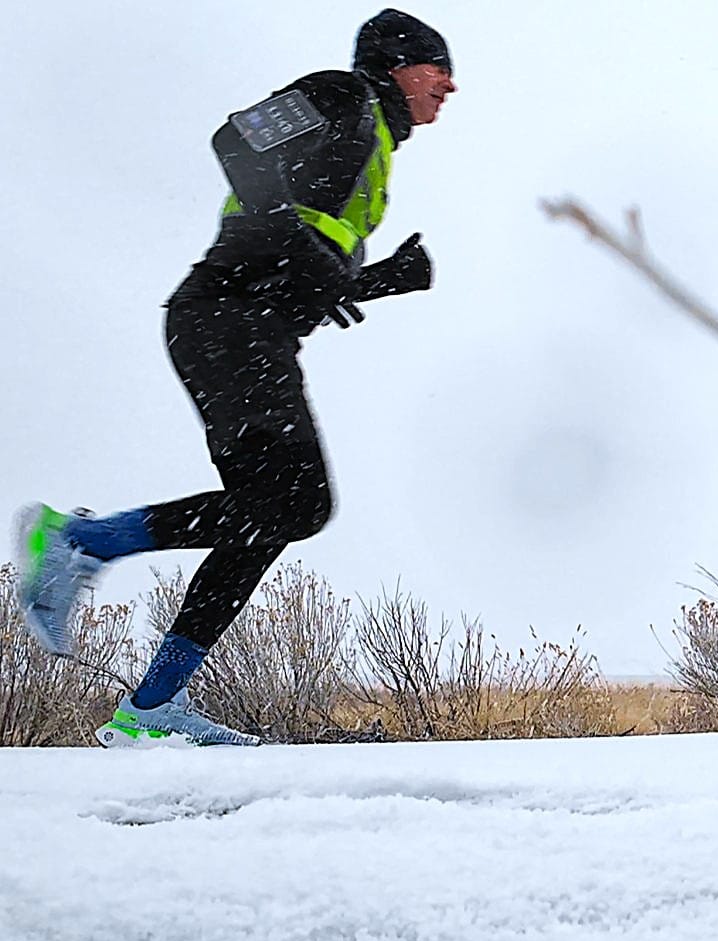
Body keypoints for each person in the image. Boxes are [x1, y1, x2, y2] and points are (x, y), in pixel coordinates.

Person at [11, 9, 457, 747]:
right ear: (394, 62)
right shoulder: (342, 94)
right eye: (436, 66)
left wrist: (382, 278)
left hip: (248, 330)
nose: (449, 84)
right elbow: (236, 139)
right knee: (299, 501)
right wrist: (316, 261)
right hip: (224, 321)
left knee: (268, 516)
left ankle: (150, 708)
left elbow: (307, 264)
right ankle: (78, 541)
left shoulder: (369, 149)